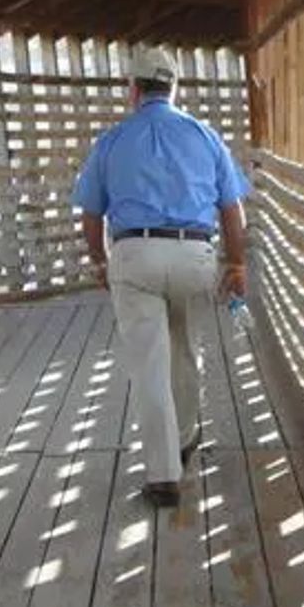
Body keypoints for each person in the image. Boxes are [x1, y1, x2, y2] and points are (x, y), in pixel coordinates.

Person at [73, 45, 250, 508]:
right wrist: (237, 265)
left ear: (132, 90)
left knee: (150, 364)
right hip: (194, 254)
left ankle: (163, 475)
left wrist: (99, 260)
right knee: (186, 347)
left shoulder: (111, 141)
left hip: (135, 254)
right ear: (174, 88)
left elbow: (91, 214)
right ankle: (187, 438)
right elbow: (232, 211)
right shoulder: (205, 136)